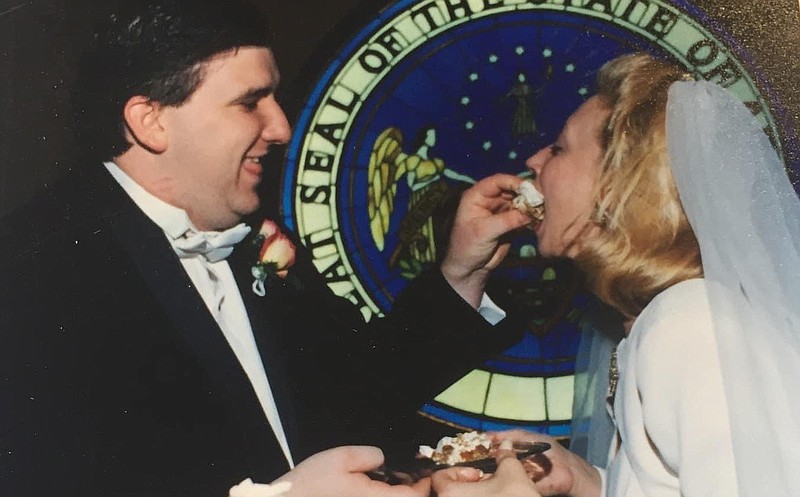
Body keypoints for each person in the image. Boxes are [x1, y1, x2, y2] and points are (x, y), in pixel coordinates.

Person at [0, 1, 532, 496]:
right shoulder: (33, 271)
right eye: (250, 102)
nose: (281, 128)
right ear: (151, 121)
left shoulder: (252, 242)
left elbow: (358, 393)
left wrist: (462, 269)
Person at [430, 52, 800, 497]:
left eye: (561, 148)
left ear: (618, 186)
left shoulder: (687, 323)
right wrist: (589, 482)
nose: (534, 159)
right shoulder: (652, 325)